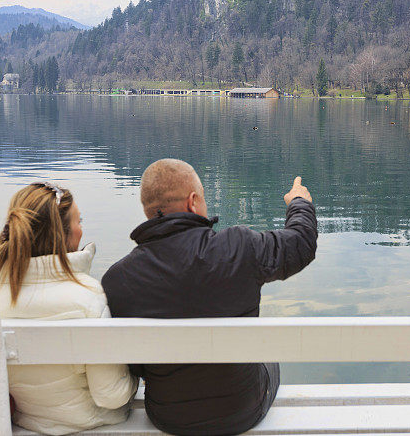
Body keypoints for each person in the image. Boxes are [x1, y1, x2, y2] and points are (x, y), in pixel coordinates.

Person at [102, 159, 318, 436]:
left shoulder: (118, 279)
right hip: (242, 411)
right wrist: (298, 202)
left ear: (147, 211)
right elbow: (300, 244)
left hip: (168, 416)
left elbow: (135, 365)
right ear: (193, 202)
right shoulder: (238, 247)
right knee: (266, 354)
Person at [0, 182, 138, 435]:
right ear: (63, 235)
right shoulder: (88, 295)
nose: (82, 229)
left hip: (11, 419)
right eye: (79, 221)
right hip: (86, 424)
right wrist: (133, 381)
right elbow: (110, 395)